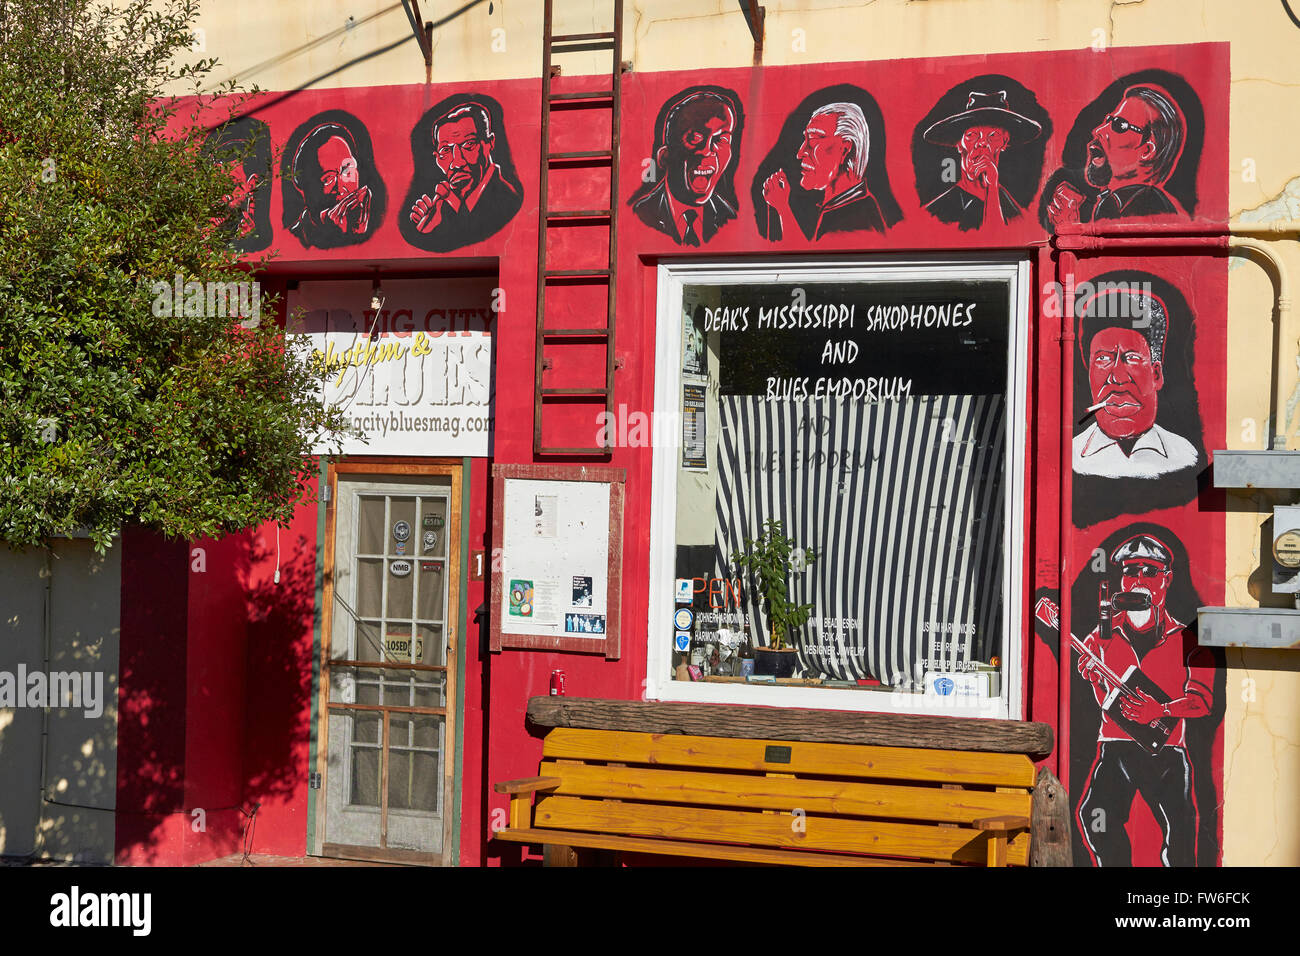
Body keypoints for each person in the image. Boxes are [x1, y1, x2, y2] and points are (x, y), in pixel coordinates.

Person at [1075, 534, 1213, 867]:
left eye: (1149, 572)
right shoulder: (1101, 636)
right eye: (1131, 571)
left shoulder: (1189, 637)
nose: (1139, 581)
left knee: (1181, 834)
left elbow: (1202, 701)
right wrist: (1094, 677)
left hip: (1166, 753)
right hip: (1116, 747)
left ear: (1166, 579)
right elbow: (1105, 700)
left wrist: (1161, 709)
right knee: (1096, 818)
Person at [1073, 287, 1197, 479]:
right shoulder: (1072, 456)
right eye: (1103, 359)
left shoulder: (1185, 454)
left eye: (1131, 358)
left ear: (1156, 374)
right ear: (1089, 373)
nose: (1118, 377)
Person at [1048, 83, 1187, 227]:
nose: (1098, 130)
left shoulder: (1145, 205)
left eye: (1120, 125)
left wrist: (1069, 226)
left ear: (1147, 150)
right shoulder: (1120, 203)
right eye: (1108, 120)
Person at [920, 90, 1042, 230]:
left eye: (993, 135)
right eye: (972, 135)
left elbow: (999, 238)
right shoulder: (937, 212)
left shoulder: (1015, 214)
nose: (982, 143)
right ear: (959, 144)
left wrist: (992, 188)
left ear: (1004, 142)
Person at [762, 102, 884, 239]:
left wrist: (783, 209)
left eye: (814, 139)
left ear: (845, 149)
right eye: (805, 139)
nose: (801, 152)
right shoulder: (837, 206)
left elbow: (808, 259)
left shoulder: (858, 217)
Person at [633, 90, 738, 245]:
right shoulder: (643, 213)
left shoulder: (728, 216)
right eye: (695, 138)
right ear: (665, 157)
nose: (707, 151)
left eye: (721, 139)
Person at [409, 102, 521, 246]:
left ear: (489, 143)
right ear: (436, 157)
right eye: (445, 151)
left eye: (468, 145)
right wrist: (428, 229)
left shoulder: (507, 199)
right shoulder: (444, 206)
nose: (457, 163)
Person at [287, 123, 373, 246]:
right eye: (328, 179)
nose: (341, 188)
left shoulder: (367, 228)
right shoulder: (295, 239)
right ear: (307, 189)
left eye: (347, 171)